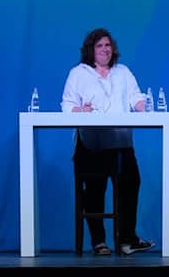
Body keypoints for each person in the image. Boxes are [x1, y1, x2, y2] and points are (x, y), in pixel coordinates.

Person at [61, 28, 154, 256]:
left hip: (120, 141)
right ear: (91, 50)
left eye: (108, 45)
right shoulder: (78, 73)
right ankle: (99, 241)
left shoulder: (123, 72)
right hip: (91, 143)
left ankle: (126, 239)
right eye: (100, 46)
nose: (105, 50)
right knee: (94, 190)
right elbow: (66, 104)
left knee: (131, 183)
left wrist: (144, 106)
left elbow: (135, 97)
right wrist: (80, 110)